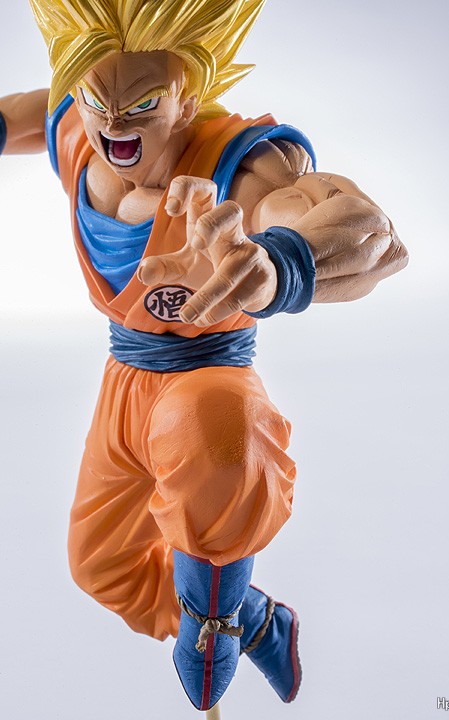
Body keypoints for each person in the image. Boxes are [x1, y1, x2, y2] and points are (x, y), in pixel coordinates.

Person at [0, 0, 408, 711]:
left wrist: (281, 261)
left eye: (143, 104)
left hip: (206, 373)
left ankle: (213, 623)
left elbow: (374, 235)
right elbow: (34, 114)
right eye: (98, 99)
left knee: (217, 432)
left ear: (187, 96)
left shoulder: (240, 169)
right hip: (123, 381)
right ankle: (256, 619)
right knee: (102, 568)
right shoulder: (79, 125)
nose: (115, 124)